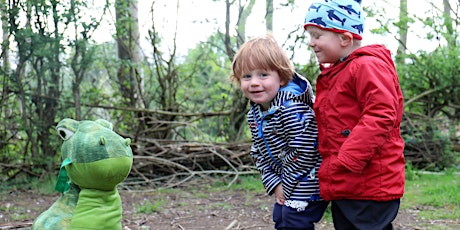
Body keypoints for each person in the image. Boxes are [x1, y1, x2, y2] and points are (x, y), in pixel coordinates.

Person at [303, 0, 406, 229]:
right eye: (310, 36)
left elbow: (381, 114)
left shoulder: (366, 66)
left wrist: (348, 158)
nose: (311, 43)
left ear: (345, 38)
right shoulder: (339, 71)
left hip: (368, 181)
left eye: (317, 35)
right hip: (347, 180)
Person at [230, 33, 328, 229]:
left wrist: (287, 185)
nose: (254, 82)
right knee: (281, 218)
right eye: (247, 76)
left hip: (308, 181)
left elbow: (304, 150)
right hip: (287, 182)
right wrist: (274, 183)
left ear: (281, 78)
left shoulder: (292, 108)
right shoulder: (255, 114)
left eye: (263, 75)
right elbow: (258, 152)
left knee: (293, 220)